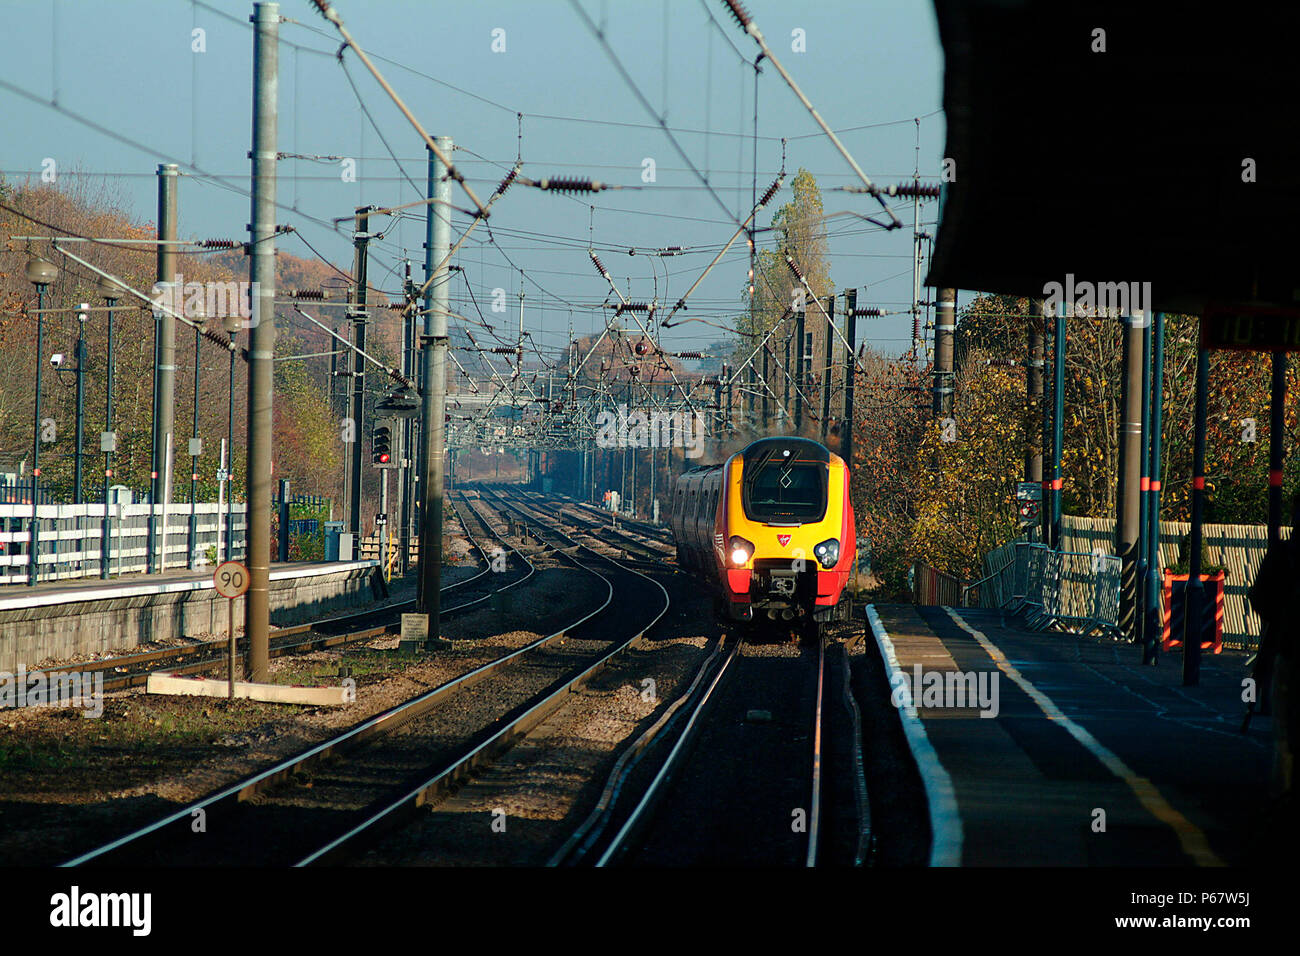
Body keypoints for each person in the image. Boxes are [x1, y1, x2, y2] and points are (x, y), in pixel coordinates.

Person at [1246, 492, 1298, 801]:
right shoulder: (1283, 554)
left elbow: (1259, 596)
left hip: (1287, 645)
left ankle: (1283, 791)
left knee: (1285, 725)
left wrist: (1277, 617)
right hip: (1287, 645)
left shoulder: (1283, 554)